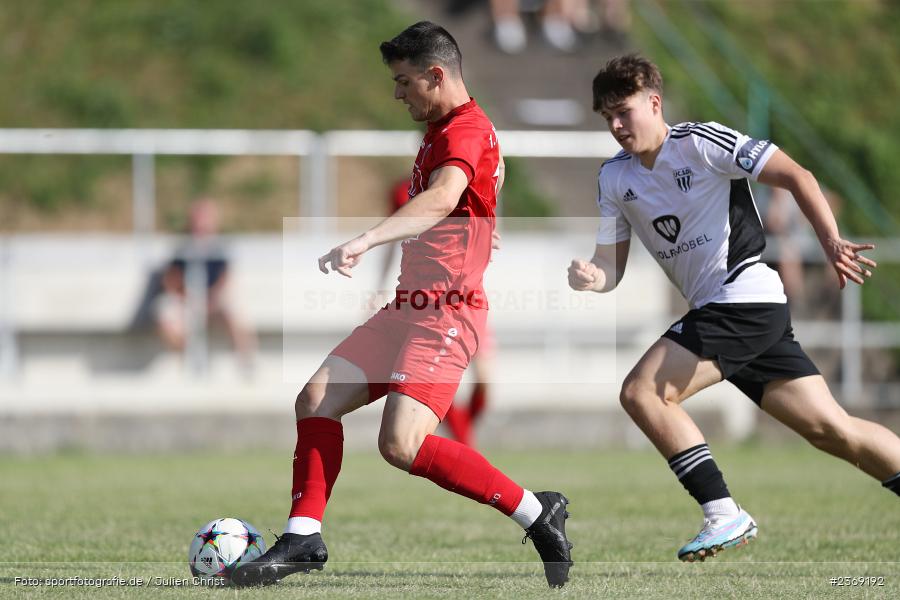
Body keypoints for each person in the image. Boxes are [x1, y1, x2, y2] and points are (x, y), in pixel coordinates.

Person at [233, 22, 572, 588]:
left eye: (404, 81)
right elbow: (471, 191)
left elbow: (443, 196)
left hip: (447, 312)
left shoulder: (465, 128)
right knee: (316, 397)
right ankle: (302, 537)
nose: (398, 94)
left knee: (401, 444)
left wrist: (364, 241)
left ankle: (537, 513)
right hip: (406, 307)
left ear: (436, 75)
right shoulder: (451, 128)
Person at [568, 54, 900, 562]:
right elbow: (610, 268)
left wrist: (830, 241)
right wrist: (593, 277)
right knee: (833, 430)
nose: (615, 125)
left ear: (654, 103)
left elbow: (799, 175)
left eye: (624, 111)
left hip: (744, 298)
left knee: (643, 393)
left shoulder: (701, 142)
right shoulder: (614, 179)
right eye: (606, 117)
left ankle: (723, 513)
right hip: (733, 311)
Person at [379, 178, 495, 447]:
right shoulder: (403, 191)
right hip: (427, 302)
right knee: (438, 380)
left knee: (485, 380)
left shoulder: (462, 184)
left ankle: (460, 435)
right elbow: (391, 237)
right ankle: (464, 443)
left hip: (468, 298)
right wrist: (378, 286)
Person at [154, 198, 256, 369]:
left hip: (214, 302)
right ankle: (186, 359)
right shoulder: (182, 249)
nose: (200, 225)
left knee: (235, 310)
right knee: (164, 312)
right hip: (187, 302)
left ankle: (246, 363)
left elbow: (226, 279)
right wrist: (187, 297)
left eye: (205, 219)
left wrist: (210, 299)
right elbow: (170, 280)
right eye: (197, 219)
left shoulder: (221, 249)